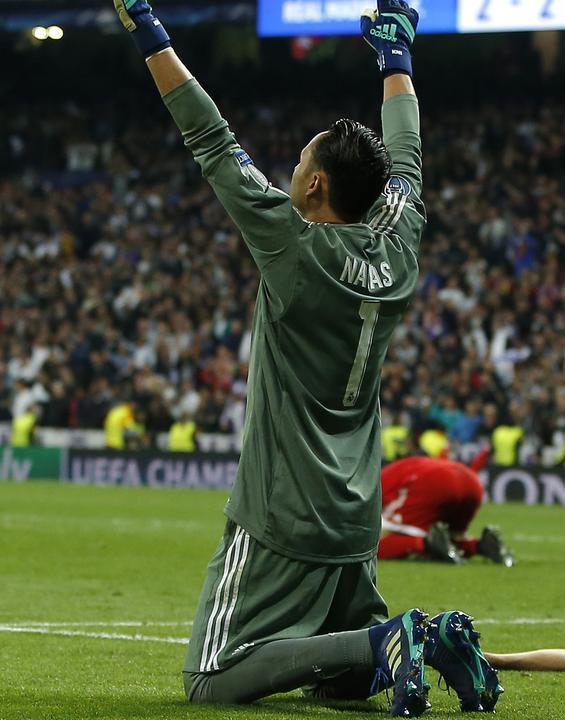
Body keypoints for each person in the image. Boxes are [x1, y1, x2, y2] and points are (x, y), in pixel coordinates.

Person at [113, 1, 499, 713]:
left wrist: (147, 29)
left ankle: (383, 642)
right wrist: (396, 57)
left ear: (315, 184)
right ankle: (401, 643)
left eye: (299, 161)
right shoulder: (399, 242)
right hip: (356, 516)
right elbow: (406, 151)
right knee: (340, 690)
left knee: (211, 681)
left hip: (283, 511)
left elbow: (211, 138)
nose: (292, 167)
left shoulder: (293, 245)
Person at [380, 455, 515, 567]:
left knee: (373, 544)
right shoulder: (397, 469)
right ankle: (481, 546)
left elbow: (382, 533)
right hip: (471, 481)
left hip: (435, 481)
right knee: (448, 539)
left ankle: (425, 544)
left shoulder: (378, 482)